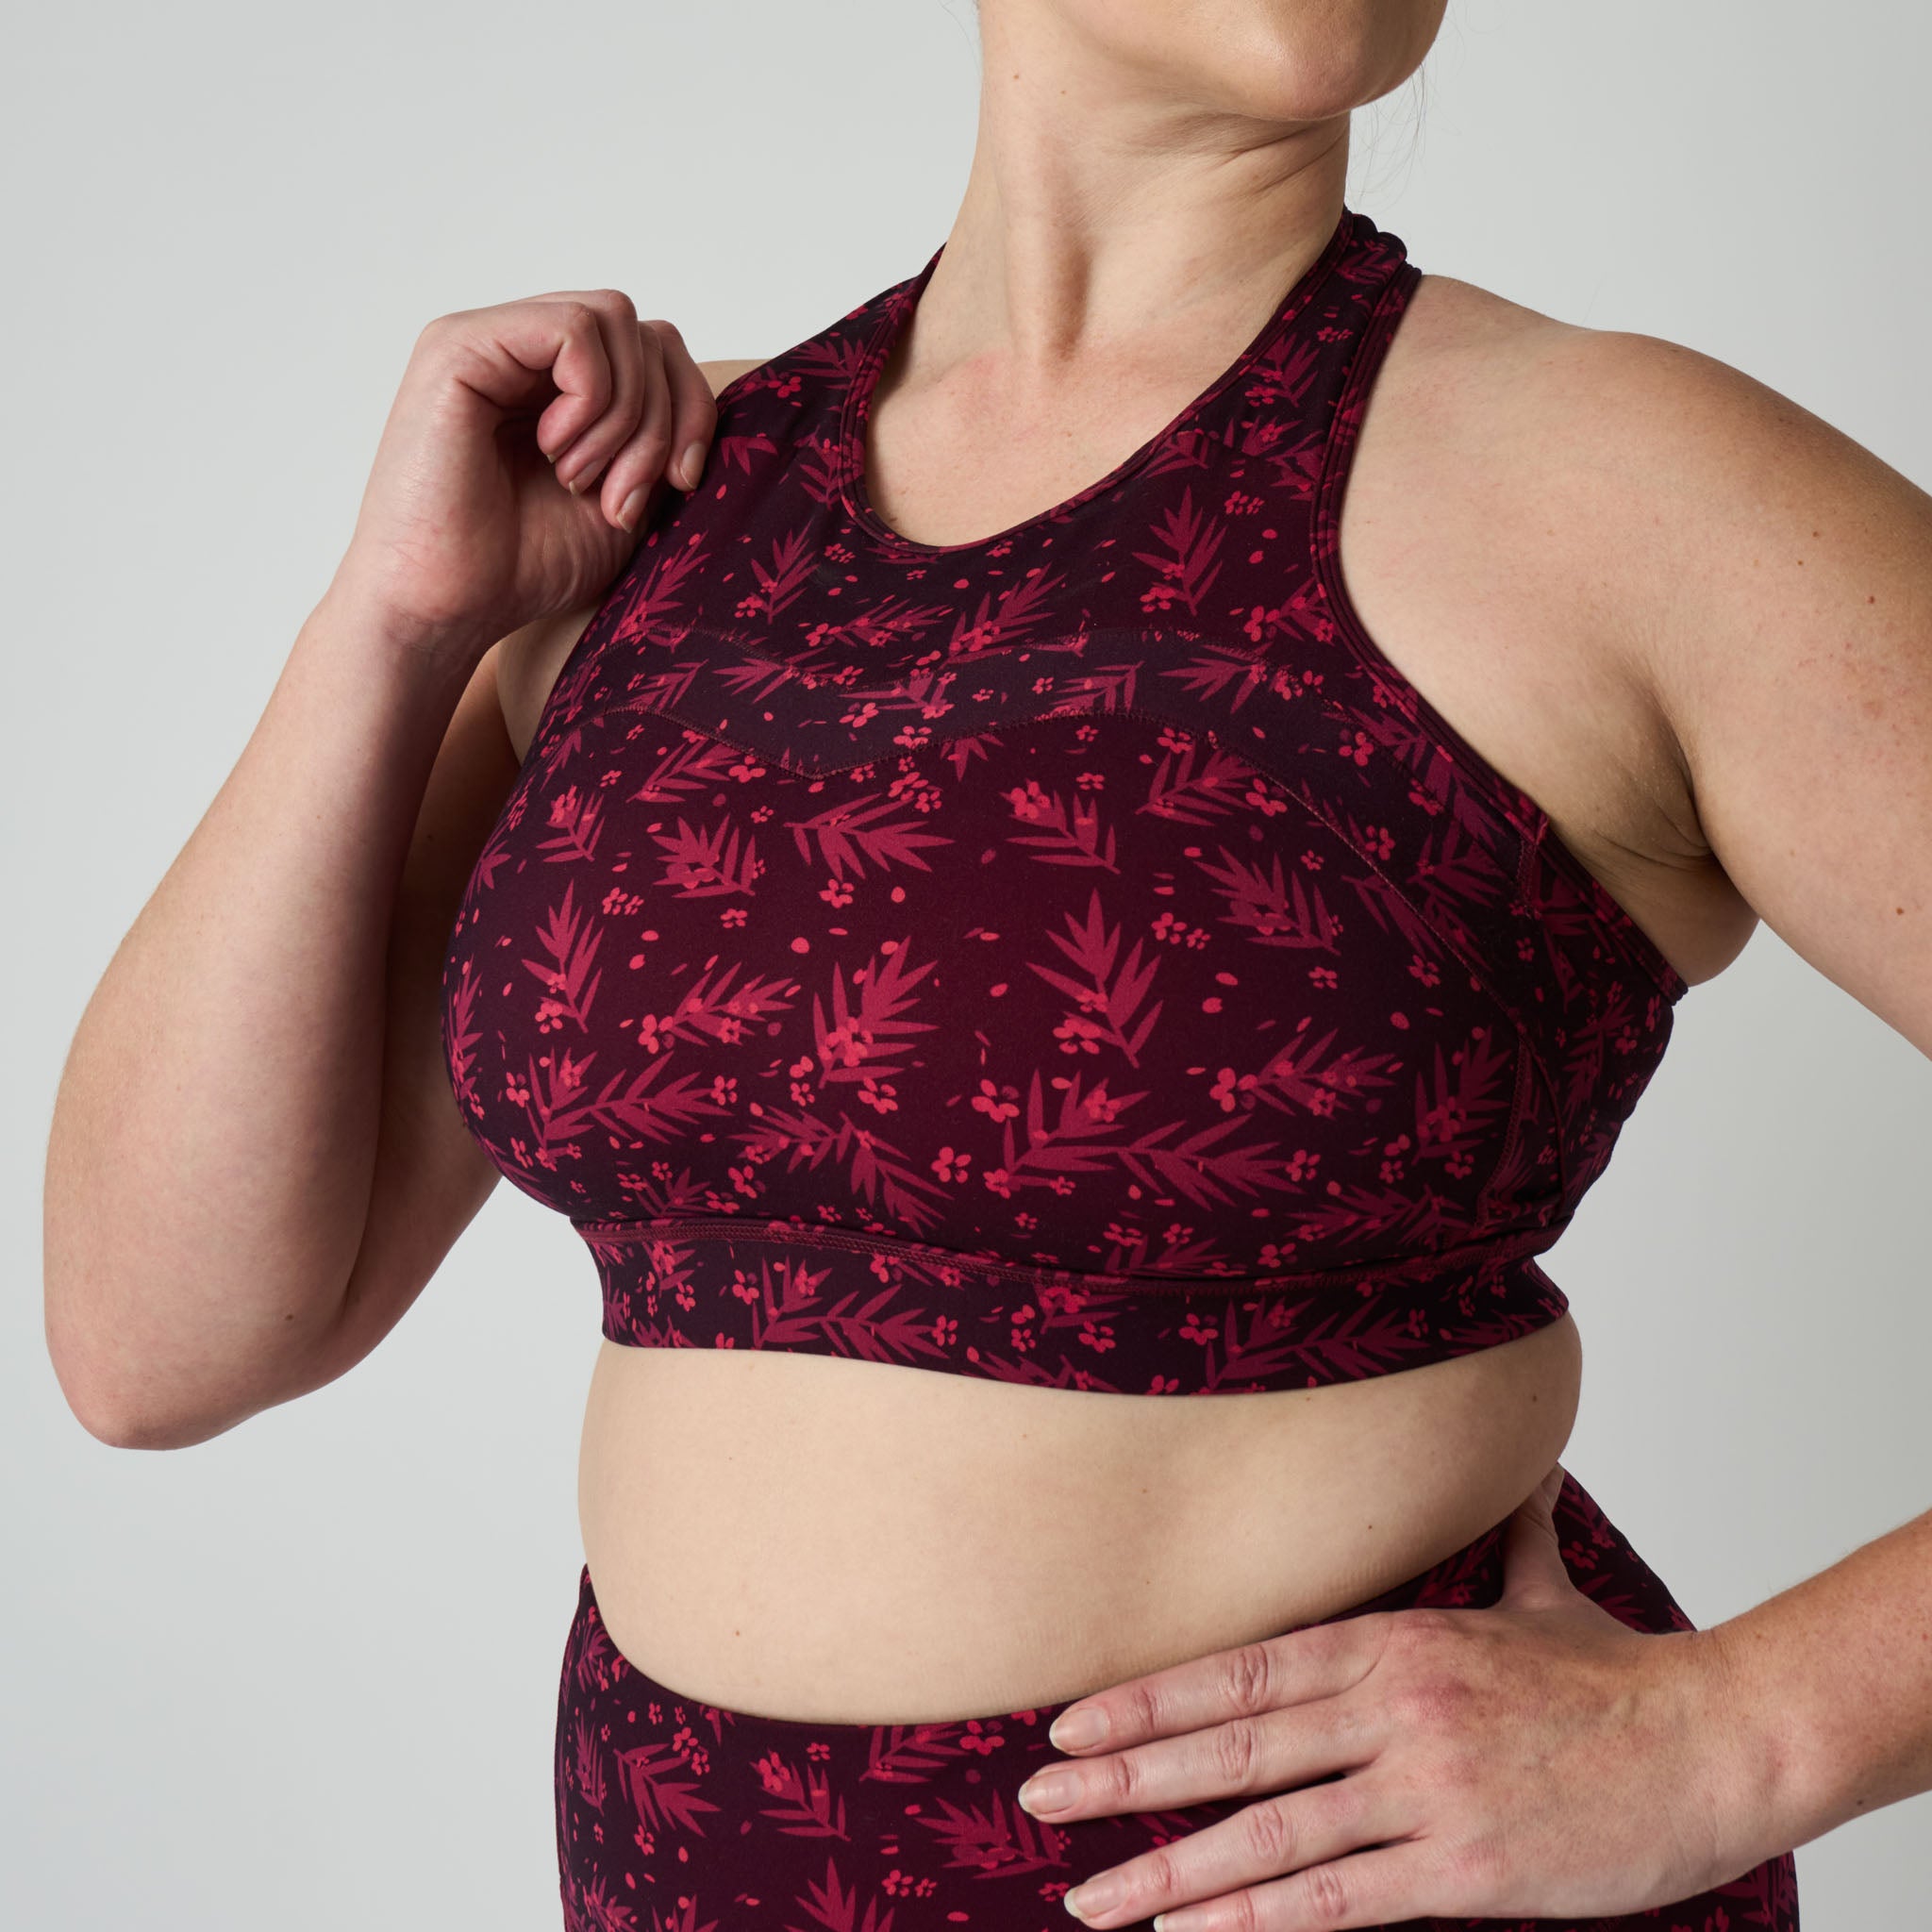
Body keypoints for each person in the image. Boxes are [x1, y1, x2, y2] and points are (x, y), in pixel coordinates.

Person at [41, 2, 1932, 1927]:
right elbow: (159, 1345)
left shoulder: (1631, 494)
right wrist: (395, 622)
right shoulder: (648, 508)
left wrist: (1740, 1736)